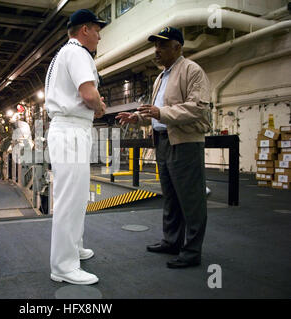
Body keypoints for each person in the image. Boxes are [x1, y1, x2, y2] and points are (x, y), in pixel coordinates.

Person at [116, 27, 211, 268]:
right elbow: (156, 113)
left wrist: (161, 112)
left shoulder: (192, 70)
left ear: (177, 47)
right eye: (155, 46)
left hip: (185, 142)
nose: (156, 51)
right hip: (162, 142)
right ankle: (172, 241)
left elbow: (198, 108)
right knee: (171, 197)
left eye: (162, 45)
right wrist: (137, 117)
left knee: (191, 199)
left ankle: (191, 251)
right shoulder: (161, 77)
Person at [44, 9, 107, 284]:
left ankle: (74, 247)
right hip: (71, 129)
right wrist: (101, 105)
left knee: (78, 196)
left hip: (70, 128)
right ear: (84, 30)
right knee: (70, 199)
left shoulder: (64, 54)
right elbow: (88, 93)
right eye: (97, 29)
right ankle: (63, 266)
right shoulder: (78, 53)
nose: (99, 35)